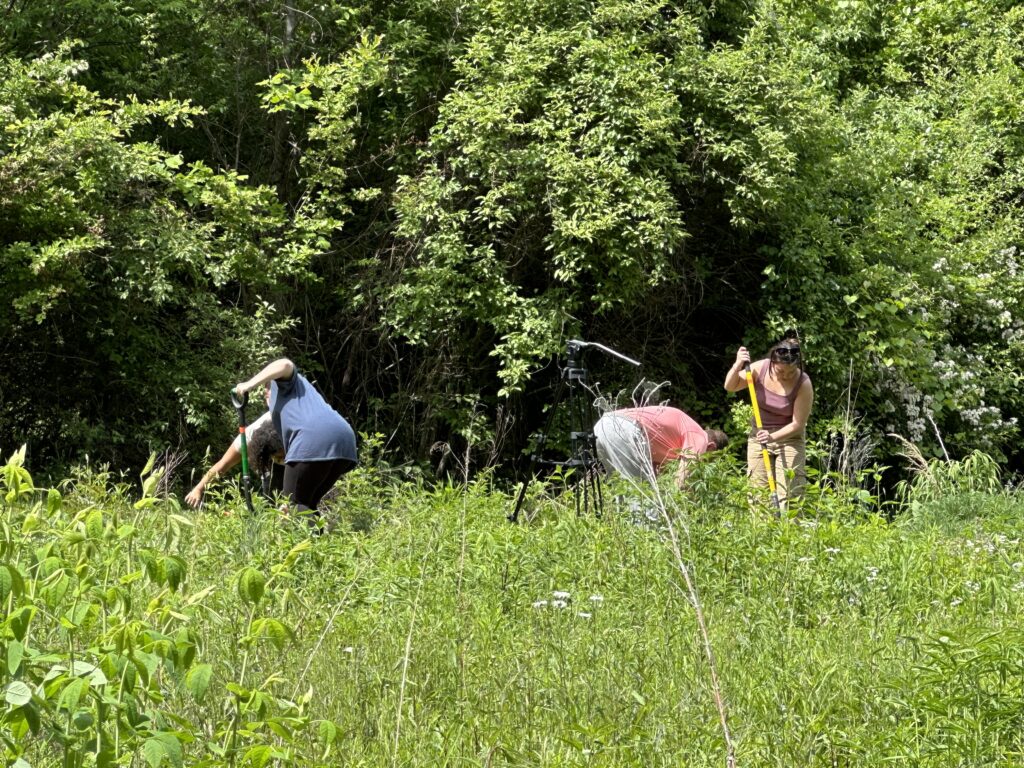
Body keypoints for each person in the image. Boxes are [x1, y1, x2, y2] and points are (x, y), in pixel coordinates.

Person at [233, 358, 357, 523]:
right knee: (307, 504)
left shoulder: (283, 385)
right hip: (345, 443)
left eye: (265, 390)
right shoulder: (301, 399)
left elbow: (284, 364)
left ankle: (307, 546)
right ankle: (319, 544)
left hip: (314, 437)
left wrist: (249, 384)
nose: (265, 395)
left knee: (294, 504)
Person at [724, 332, 813, 508]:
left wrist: (772, 437)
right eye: (780, 371)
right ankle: (763, 533)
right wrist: (737, 365)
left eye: (790, 372)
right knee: (758, 496)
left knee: (789, 497)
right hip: (759, 436)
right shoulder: (760, 368)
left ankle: (789, 532)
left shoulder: (803, 383)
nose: (785, 376)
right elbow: (730, 386)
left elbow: (798, 424)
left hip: (789, 439)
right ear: (773, 362)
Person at [185, 387, 285, 508]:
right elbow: (223, 464)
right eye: (278, 458)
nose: (281, 460)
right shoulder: (250, 437)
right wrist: (198, 489)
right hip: (272, 466)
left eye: (281, 456)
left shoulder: (299, 430)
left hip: (303, 459)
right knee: (273, 504)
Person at [593, 405, 729, 488]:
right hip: (624, 429)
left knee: (622, 493)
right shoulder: (700, 437)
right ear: (711, 447)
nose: (702, 465)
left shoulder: (674, 443)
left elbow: (656, 476)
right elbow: (680, 482)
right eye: (708, 461)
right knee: (641, 497)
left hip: (602, 425)